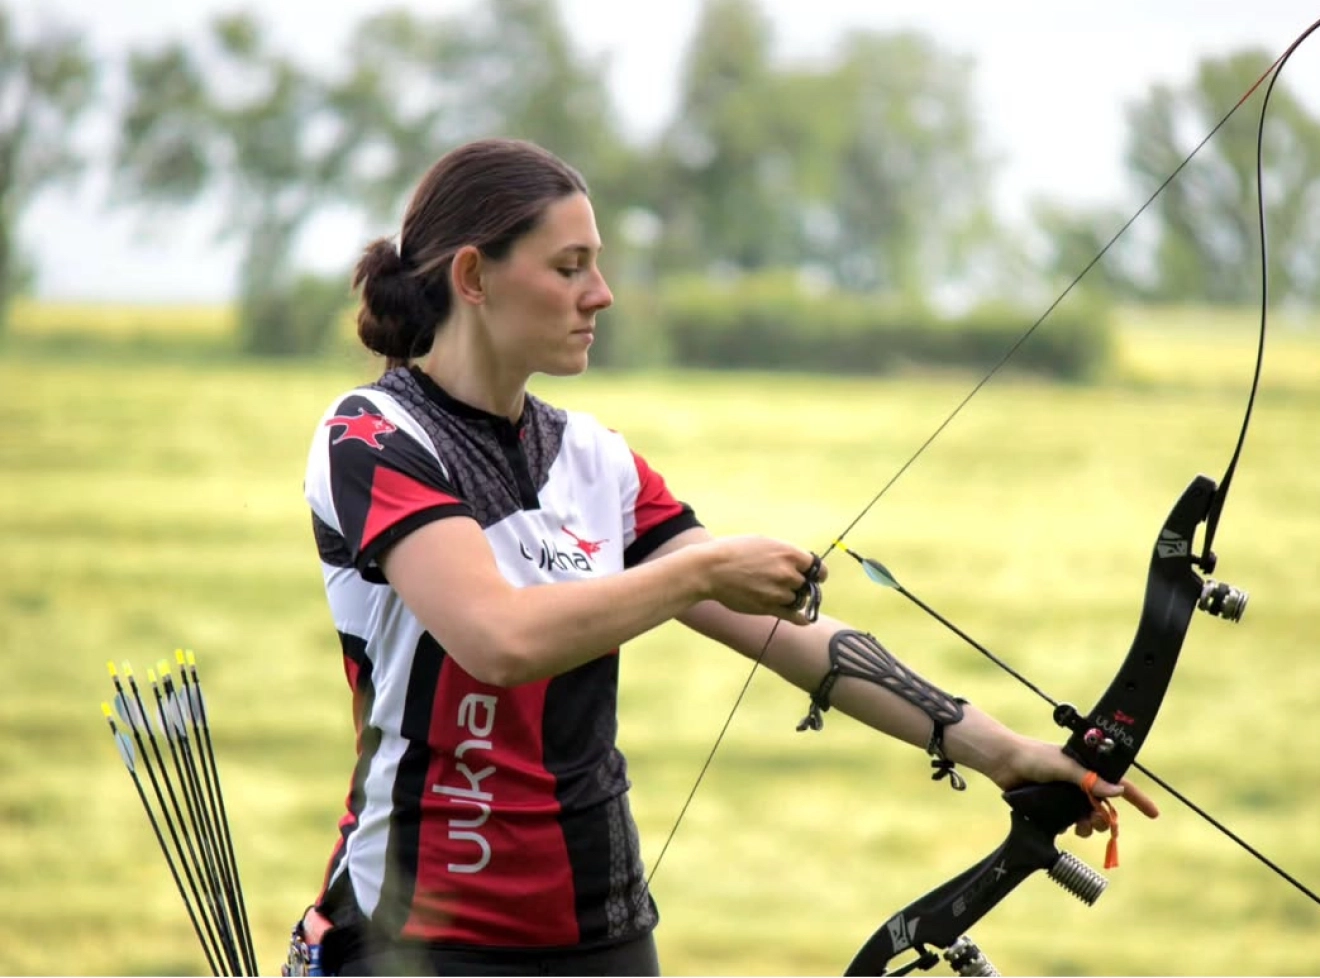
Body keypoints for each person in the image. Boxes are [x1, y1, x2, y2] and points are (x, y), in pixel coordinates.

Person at [293, 137, 1158, 977]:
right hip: (421, 934)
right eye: (570, 267)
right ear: (475, 277)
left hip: (600, 926)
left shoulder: (594, 458)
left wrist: (1004, 752)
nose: (602, 294)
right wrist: (697, 573)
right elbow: (497, 640)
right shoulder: (373, 434)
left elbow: (784, 631)